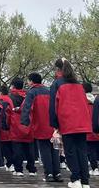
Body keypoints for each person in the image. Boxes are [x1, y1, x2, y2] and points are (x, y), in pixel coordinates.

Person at [50, 59, 92, 188]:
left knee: (70, 151)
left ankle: (75, 179)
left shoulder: (57, 84)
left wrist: (55, 124)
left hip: (67, 122)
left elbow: (53, 106)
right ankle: (85, 181)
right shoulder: (79, 84)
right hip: (83, 122)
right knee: (82, 152)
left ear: (57, 69)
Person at [21, 72, 62, 182]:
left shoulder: (32, 92)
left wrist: (24, 122)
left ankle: (48, 174)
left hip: (40, 124)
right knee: (54, 150)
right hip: (52, 125)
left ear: (32, 81)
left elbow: (26, 108)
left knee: (44, 151)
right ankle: (57, 173)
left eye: (28, 80)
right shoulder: (49, 91)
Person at [8, 77, 36, 176]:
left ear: (13, 86)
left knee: (17, 149)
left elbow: (7, 112)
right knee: (29, 149)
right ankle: (32, 169)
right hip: (28, 124)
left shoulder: (10, 96)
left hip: (16, 124)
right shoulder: (28, 95)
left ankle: (19, 170)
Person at [83, 82, 99, 176]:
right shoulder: (95, 99)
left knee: (91, 149)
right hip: (97, 127)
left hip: (88, 128)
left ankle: (95, 168)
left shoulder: (82, 101)